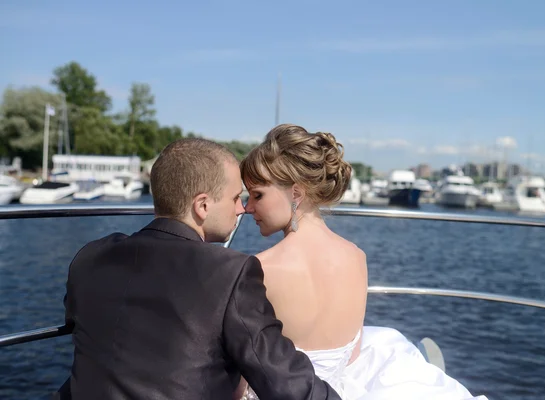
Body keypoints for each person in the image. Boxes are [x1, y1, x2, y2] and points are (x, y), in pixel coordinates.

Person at [55, 138, 342, 400]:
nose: (242, 209)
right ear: (202, 205)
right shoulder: (231, 273)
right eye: (234, 198)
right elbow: (287, 385)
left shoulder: (89, 257)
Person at [239, 124, 488, 400]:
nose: (248, 207)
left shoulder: (258, 269)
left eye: (257, 194)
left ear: (296, 194)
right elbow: (351, 356)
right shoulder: (357, 257)